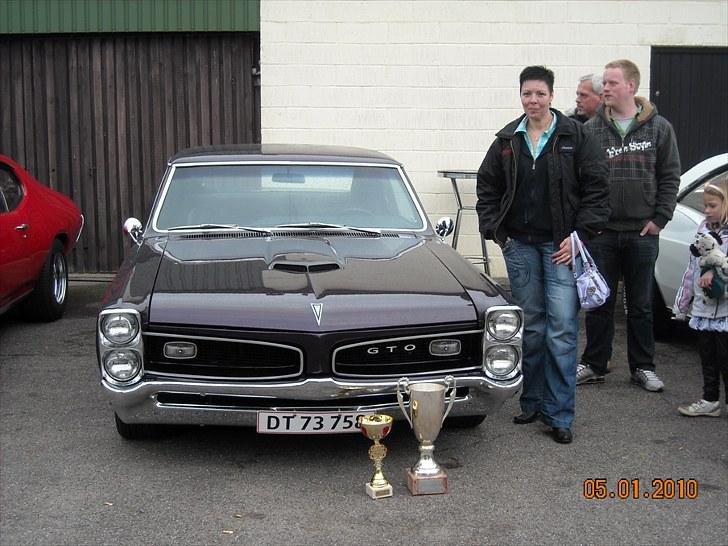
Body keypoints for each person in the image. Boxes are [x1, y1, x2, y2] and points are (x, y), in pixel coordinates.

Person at [476, 66, 609, 444]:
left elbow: (598, 189)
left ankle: (560, 413)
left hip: (561, 249)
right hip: (519, 246)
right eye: (526, 94)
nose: (533, 100)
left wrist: (579, 236)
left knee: (563, 330)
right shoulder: (508, 139)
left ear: (551, 95)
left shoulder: (574, 136)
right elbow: (487, 186)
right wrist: (497, 232)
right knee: (531, 329)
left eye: (540, 94)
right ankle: (532, 401)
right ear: (520, 96)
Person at [576, 59, 681, 392]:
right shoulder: (590, 130)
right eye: (604, 83)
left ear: (632, 86)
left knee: (641, 305)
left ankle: (643, 367)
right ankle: (594, 363)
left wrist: (660, 219)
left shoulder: (659, 128)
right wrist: (587, 223)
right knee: (598, 303)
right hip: (602, 233)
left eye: (611, 83)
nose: (604, 88)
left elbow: (670, 176)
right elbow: (580, 181)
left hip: (641, 233)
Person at [674, 178, 728, 416]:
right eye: (705, 205)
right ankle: (710, 399)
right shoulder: (702, 230)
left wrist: (713, 271)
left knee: (726, 357)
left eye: (712, 205)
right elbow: (691, 268)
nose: (706, 210)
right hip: (703, 308)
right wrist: (682, 303)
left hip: (725, 308)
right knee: (707, 356)